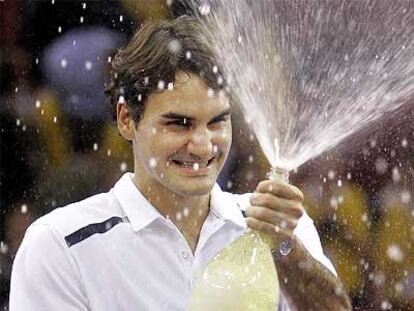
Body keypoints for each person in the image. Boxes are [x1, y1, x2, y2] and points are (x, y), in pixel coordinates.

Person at [9, 16, 352, 310]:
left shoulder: (280, 229)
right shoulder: (59, 245)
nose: (203, 145)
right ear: (127, 119)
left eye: (218, 122)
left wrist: (286, 251)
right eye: (180, 123)